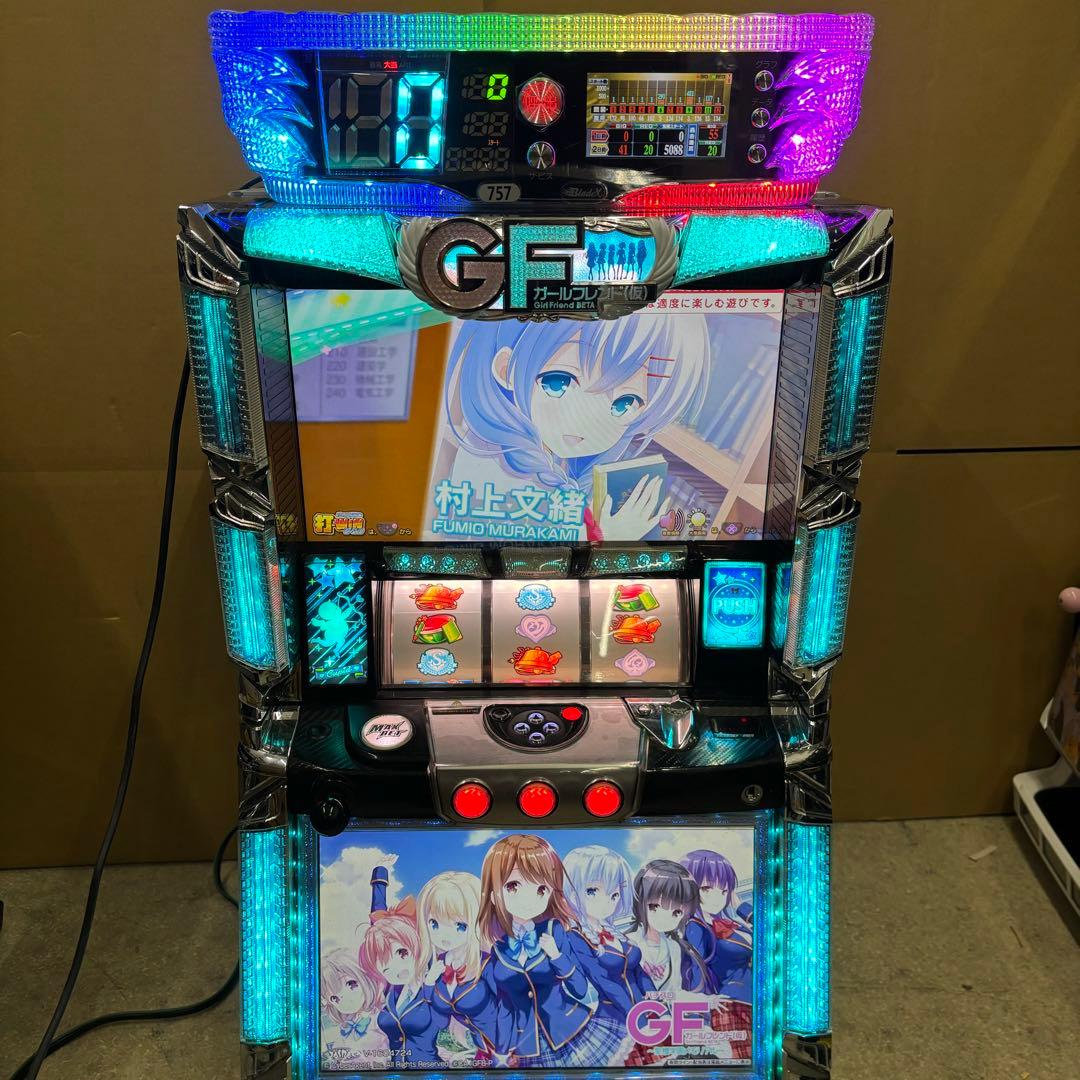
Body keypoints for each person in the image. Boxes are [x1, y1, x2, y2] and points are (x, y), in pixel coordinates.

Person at [435, 316, 709, 541]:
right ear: (507, 370)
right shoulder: (498, 457)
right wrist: (609, 536)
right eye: (558, 382)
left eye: (624, 403)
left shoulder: (553, 458)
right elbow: (532, 551)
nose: (589, 419)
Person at [477, 834, 623, 1066]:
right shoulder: (498, 951)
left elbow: (580, 987)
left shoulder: (554, 930)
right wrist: (502, 1051)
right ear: (494, 895)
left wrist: (557, 956)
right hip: (528, 1045)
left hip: (571, 1029)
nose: (529, 899)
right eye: (513, 886)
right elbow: (505, 1008)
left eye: (541, 889)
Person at [359, 866, 443, 1069]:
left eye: (403, 954)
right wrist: (379, 878)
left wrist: (429, 984)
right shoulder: (391, 990)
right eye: (386, 969)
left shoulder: (436, 982)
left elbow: (441, 1019)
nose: (396, 969)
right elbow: (378, 926)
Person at [563, 844, 655, 1027]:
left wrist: (661, 1009)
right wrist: (638, 1021)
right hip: (615, 1019)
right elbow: (604, 982)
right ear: (573, 894)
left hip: (645, 1012)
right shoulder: (575, 937)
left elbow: (640, 974)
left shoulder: (614, 931)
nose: (607, 902)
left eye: (614, 894)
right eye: (592, 891)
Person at [417, 870, 500, 1062]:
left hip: (504, 1049)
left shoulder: (487, 964)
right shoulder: (437, 965)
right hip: (477, 1052)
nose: (444, 935)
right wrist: (429, 983)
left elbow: (509, 1009)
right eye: (434, 924)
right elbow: (439, 1020)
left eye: (460, 925)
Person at [626, 859, 710, 993]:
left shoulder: (674, 947)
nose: (664, 918)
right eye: (654, 906)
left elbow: (675, 992)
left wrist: (708, 1000)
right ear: (639, 902)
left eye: (677, 912)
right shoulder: (628, 942)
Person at [682, 849, 753, 1003]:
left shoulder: (734, 924)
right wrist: (701, 1006)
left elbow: (770, 933)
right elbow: (696, 971)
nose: (717, 898)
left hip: (758, 999)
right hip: (734, 1003)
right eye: (706, 889)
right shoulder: (695, 927)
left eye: (723, 890)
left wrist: (741, 907)